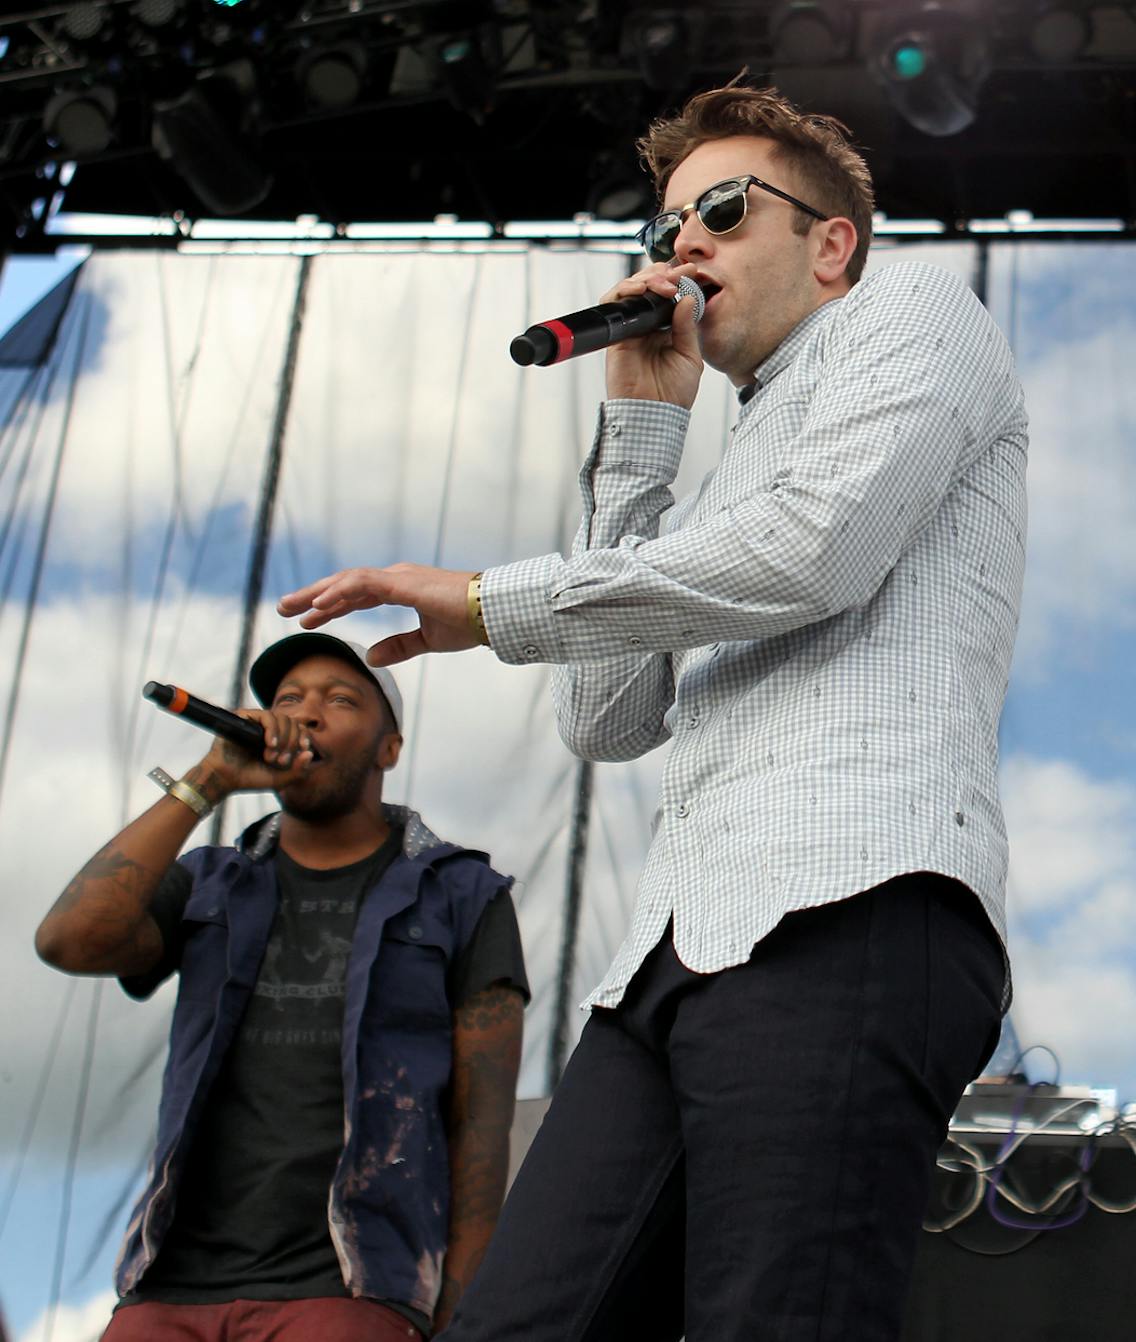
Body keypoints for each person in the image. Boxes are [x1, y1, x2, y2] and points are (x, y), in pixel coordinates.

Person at [274, 81, 1025, 1342]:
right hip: (676, 950)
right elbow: (609, 716)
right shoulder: (745, 434)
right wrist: (640, 439)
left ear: (831, 244)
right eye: (667, 223)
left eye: (724, 210)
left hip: (850, 906)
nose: (682, 245)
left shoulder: (916, 317)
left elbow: (812, 557)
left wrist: (484, 599)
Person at [33, 634, 529, 1340]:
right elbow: (68, 940)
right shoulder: (211, 880)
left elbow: (481, 1124)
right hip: (167, 1292)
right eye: (288, 700)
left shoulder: (462, 894)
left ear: (389, 748)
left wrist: (460, 1312)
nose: (307, 714)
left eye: (340, 699)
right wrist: (208, 779)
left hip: (351, 1293)